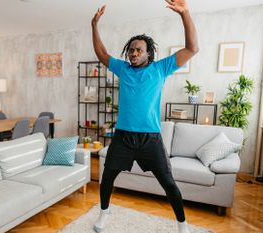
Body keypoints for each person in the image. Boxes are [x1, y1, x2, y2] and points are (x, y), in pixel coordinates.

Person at [91, 0, 198, 233]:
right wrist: (94, 25)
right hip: (123, 137)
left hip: (150, 139)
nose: (133, 53)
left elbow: (192, 48)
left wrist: (185, 14)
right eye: (131, 50)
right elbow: (101, 53)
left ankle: (182, 225)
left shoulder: (161, 68)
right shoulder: (122, 68)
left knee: (168, 183)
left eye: (139, 50)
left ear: (148, 53)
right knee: (107, 177)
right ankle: (103, 214)